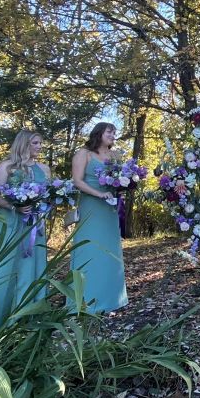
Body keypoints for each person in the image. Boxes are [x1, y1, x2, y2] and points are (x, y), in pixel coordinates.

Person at [0, 130, 52, 329]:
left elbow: (46, 194)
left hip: (34, 223)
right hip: (9, 222)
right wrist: (15, 206)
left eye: (40, 143)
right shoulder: (6, 166)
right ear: (24, 144)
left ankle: (27, 313)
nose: (39, 146)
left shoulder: (44, 169)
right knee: (3, 264)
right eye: (35, 143)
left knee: (30, 265)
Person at [70, 122, 128, 313]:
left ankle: (111, 298)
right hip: (91, 207)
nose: (113, 135)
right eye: (109, 131)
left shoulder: (114, 156)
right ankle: (85, 300)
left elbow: (120, 179)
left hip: (110, 208)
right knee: (90, 249)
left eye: (114, 132)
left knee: (109, 251)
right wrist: (98, 194)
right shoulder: (84, 154)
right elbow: (77, 181)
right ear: (99, 133)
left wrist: (123, 187)